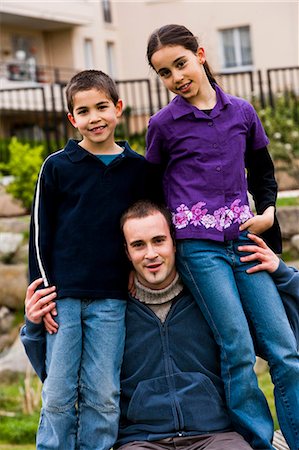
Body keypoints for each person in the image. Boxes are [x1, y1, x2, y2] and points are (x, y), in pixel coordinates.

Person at [21, 200, 299, 450]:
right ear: (127, 253)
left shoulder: (212, 299)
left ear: (174, 242)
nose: (151, 254)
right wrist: (34, 325)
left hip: (216, 435)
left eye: (158, 241)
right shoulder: (111, 314)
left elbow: (284, 336)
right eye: (138, 245)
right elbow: (60, 373)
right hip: (140, 440)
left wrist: (282, 273)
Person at [145, 24, 299, 450]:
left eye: (181, 63)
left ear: (201, 54)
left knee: (285, 351)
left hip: (245, 242)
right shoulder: (163, 125)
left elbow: (265, 173)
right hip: (198, 249)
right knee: (237, 349)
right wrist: (161, 249)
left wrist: (267, 215)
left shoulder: (242, 113)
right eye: (164, 73)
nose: (176, 77)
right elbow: (152, 192)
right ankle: (259, 443)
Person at [28, 70, 160, 450]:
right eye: (83, 111)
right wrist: (41, 292)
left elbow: (145, 227)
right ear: (72, 119)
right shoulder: (57, 165)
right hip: (63, 299)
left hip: (112, 298)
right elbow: (40, 233)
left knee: (103, 394)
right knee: (58, 394)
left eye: (102, 106)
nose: (94, 117)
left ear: (118, 108)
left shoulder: (139, 169)